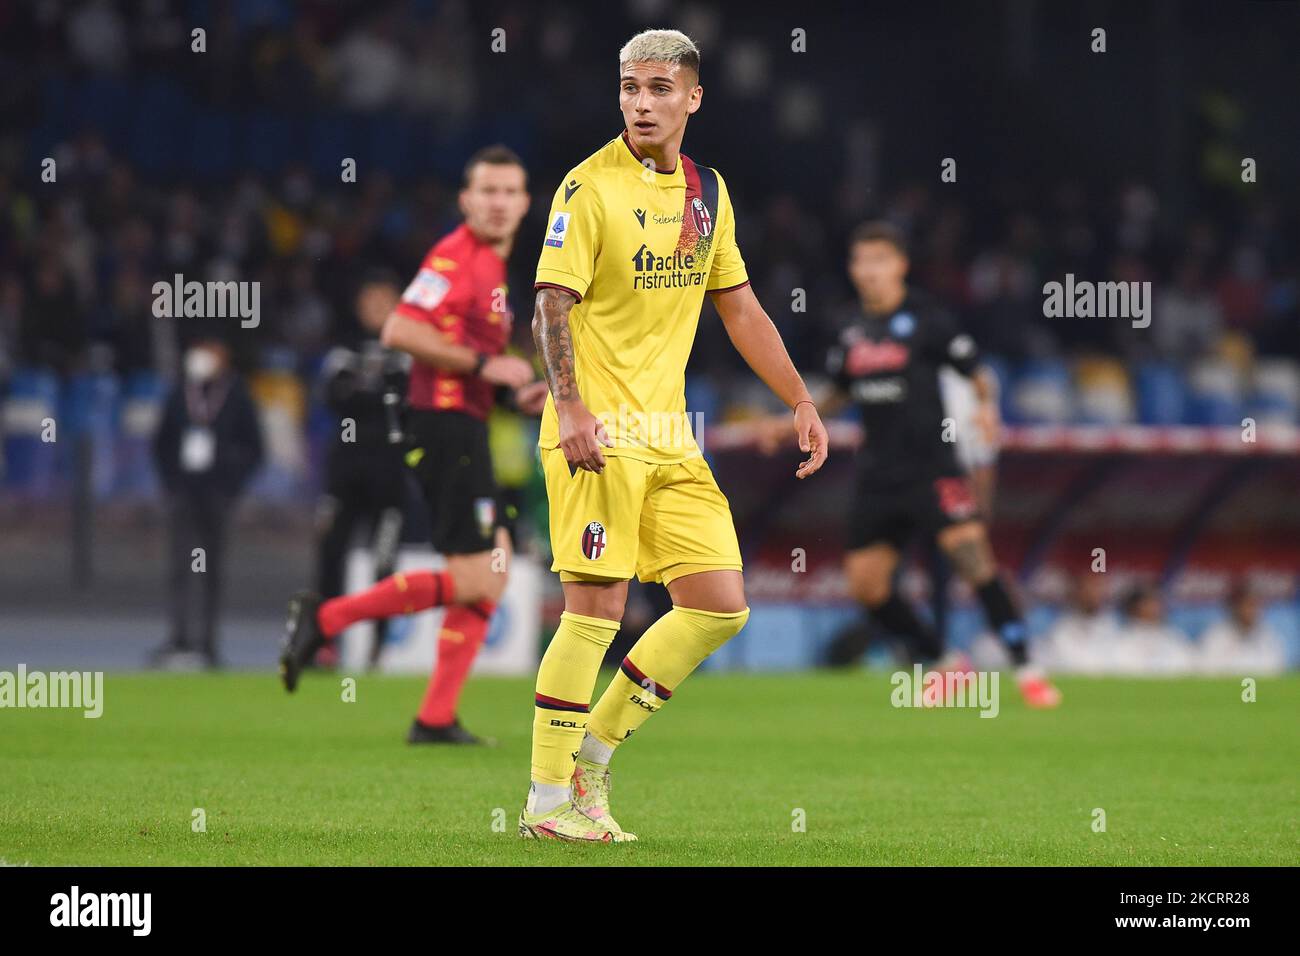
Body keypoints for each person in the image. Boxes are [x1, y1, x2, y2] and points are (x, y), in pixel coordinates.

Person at [520, 29, 829, 842]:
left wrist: (799, 398)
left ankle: (593, 753)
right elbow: (550, 305)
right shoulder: (588, 189)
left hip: (669, 435)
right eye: (629, 87)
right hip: (599, 432)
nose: (641, 102)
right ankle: (548, 804)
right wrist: (574, 409)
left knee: (720, 606)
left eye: (659, 88)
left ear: (693, 98)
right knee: (593, 612)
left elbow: (739, 305)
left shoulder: (708, 193)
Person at [279, 145, 548, 747]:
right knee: (482, 575)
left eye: (510, 192)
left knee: (493, 568)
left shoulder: (493, 269)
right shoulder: (457, 256)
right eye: (488, 191)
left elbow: (469, 360)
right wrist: (484, 362)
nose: (499, 202)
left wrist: (510, 392)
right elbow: (399, 328)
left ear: (525, 202)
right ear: (466, 200)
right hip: (444, 428)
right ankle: (327, 619)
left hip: (466, 423)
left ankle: (434, 717)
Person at [820, 221, 1060, 707]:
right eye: (861, 261)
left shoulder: (928, 319)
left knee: (974, 561)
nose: (869, 271)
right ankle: (946, 662)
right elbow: (837, 395)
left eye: (880, 260)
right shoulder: (850, 333)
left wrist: (988, 409)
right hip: (878, 478)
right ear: (852, 268)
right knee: (866, 585)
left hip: (933, 468)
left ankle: (1027, 668)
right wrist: (793, 418)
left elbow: (978, 374)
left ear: (901, 265)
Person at [311, 270, 411, 668]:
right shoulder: (343, 349)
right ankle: (325, 643)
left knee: (385, 563)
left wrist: (365, 390)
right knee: (330, 553)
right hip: (344, 476)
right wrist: (378, 391)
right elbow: (335, 399)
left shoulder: (407, 347)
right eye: (370, 303)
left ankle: (378, 646)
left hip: (389, 478)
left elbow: (404, 400)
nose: (376, 310)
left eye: (384, 303)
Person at [151, 333, 264, 669]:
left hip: (216, 494)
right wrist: (171, 484)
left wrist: (230, 485)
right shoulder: (179, 392)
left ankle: (208, 642)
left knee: (211, 569)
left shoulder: (237, 395)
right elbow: (161, 442)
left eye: (210, 350)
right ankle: (179, 637)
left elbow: (255, 447)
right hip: (185, 493)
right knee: (180, 567)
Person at [1197, 580, 1286, 676]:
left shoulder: (1269, 636)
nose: (1252, 611)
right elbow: (1207, 675)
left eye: (1256, 605)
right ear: (1234, 606)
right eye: (1247, 605)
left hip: (1260, 690)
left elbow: (1276, 673)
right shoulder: (1216, 636)